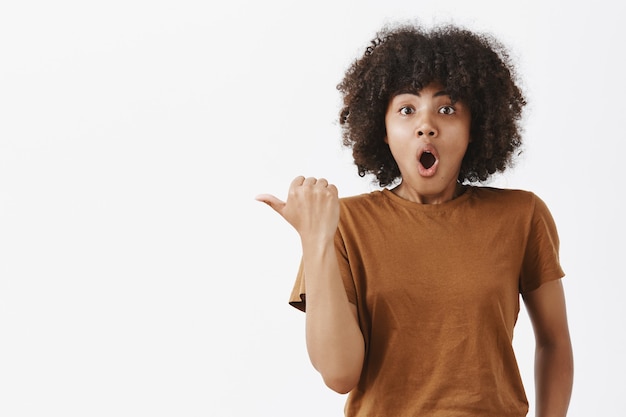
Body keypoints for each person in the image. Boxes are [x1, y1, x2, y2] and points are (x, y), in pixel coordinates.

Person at [256, 21, 573, 417]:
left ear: (475, 127)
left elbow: (554, 341)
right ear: (383, 130)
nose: (427, 124)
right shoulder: (343, 224)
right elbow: (339, 375)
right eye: (407, 109)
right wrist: (315, 241)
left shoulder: (522, 215)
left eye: (447, 108)